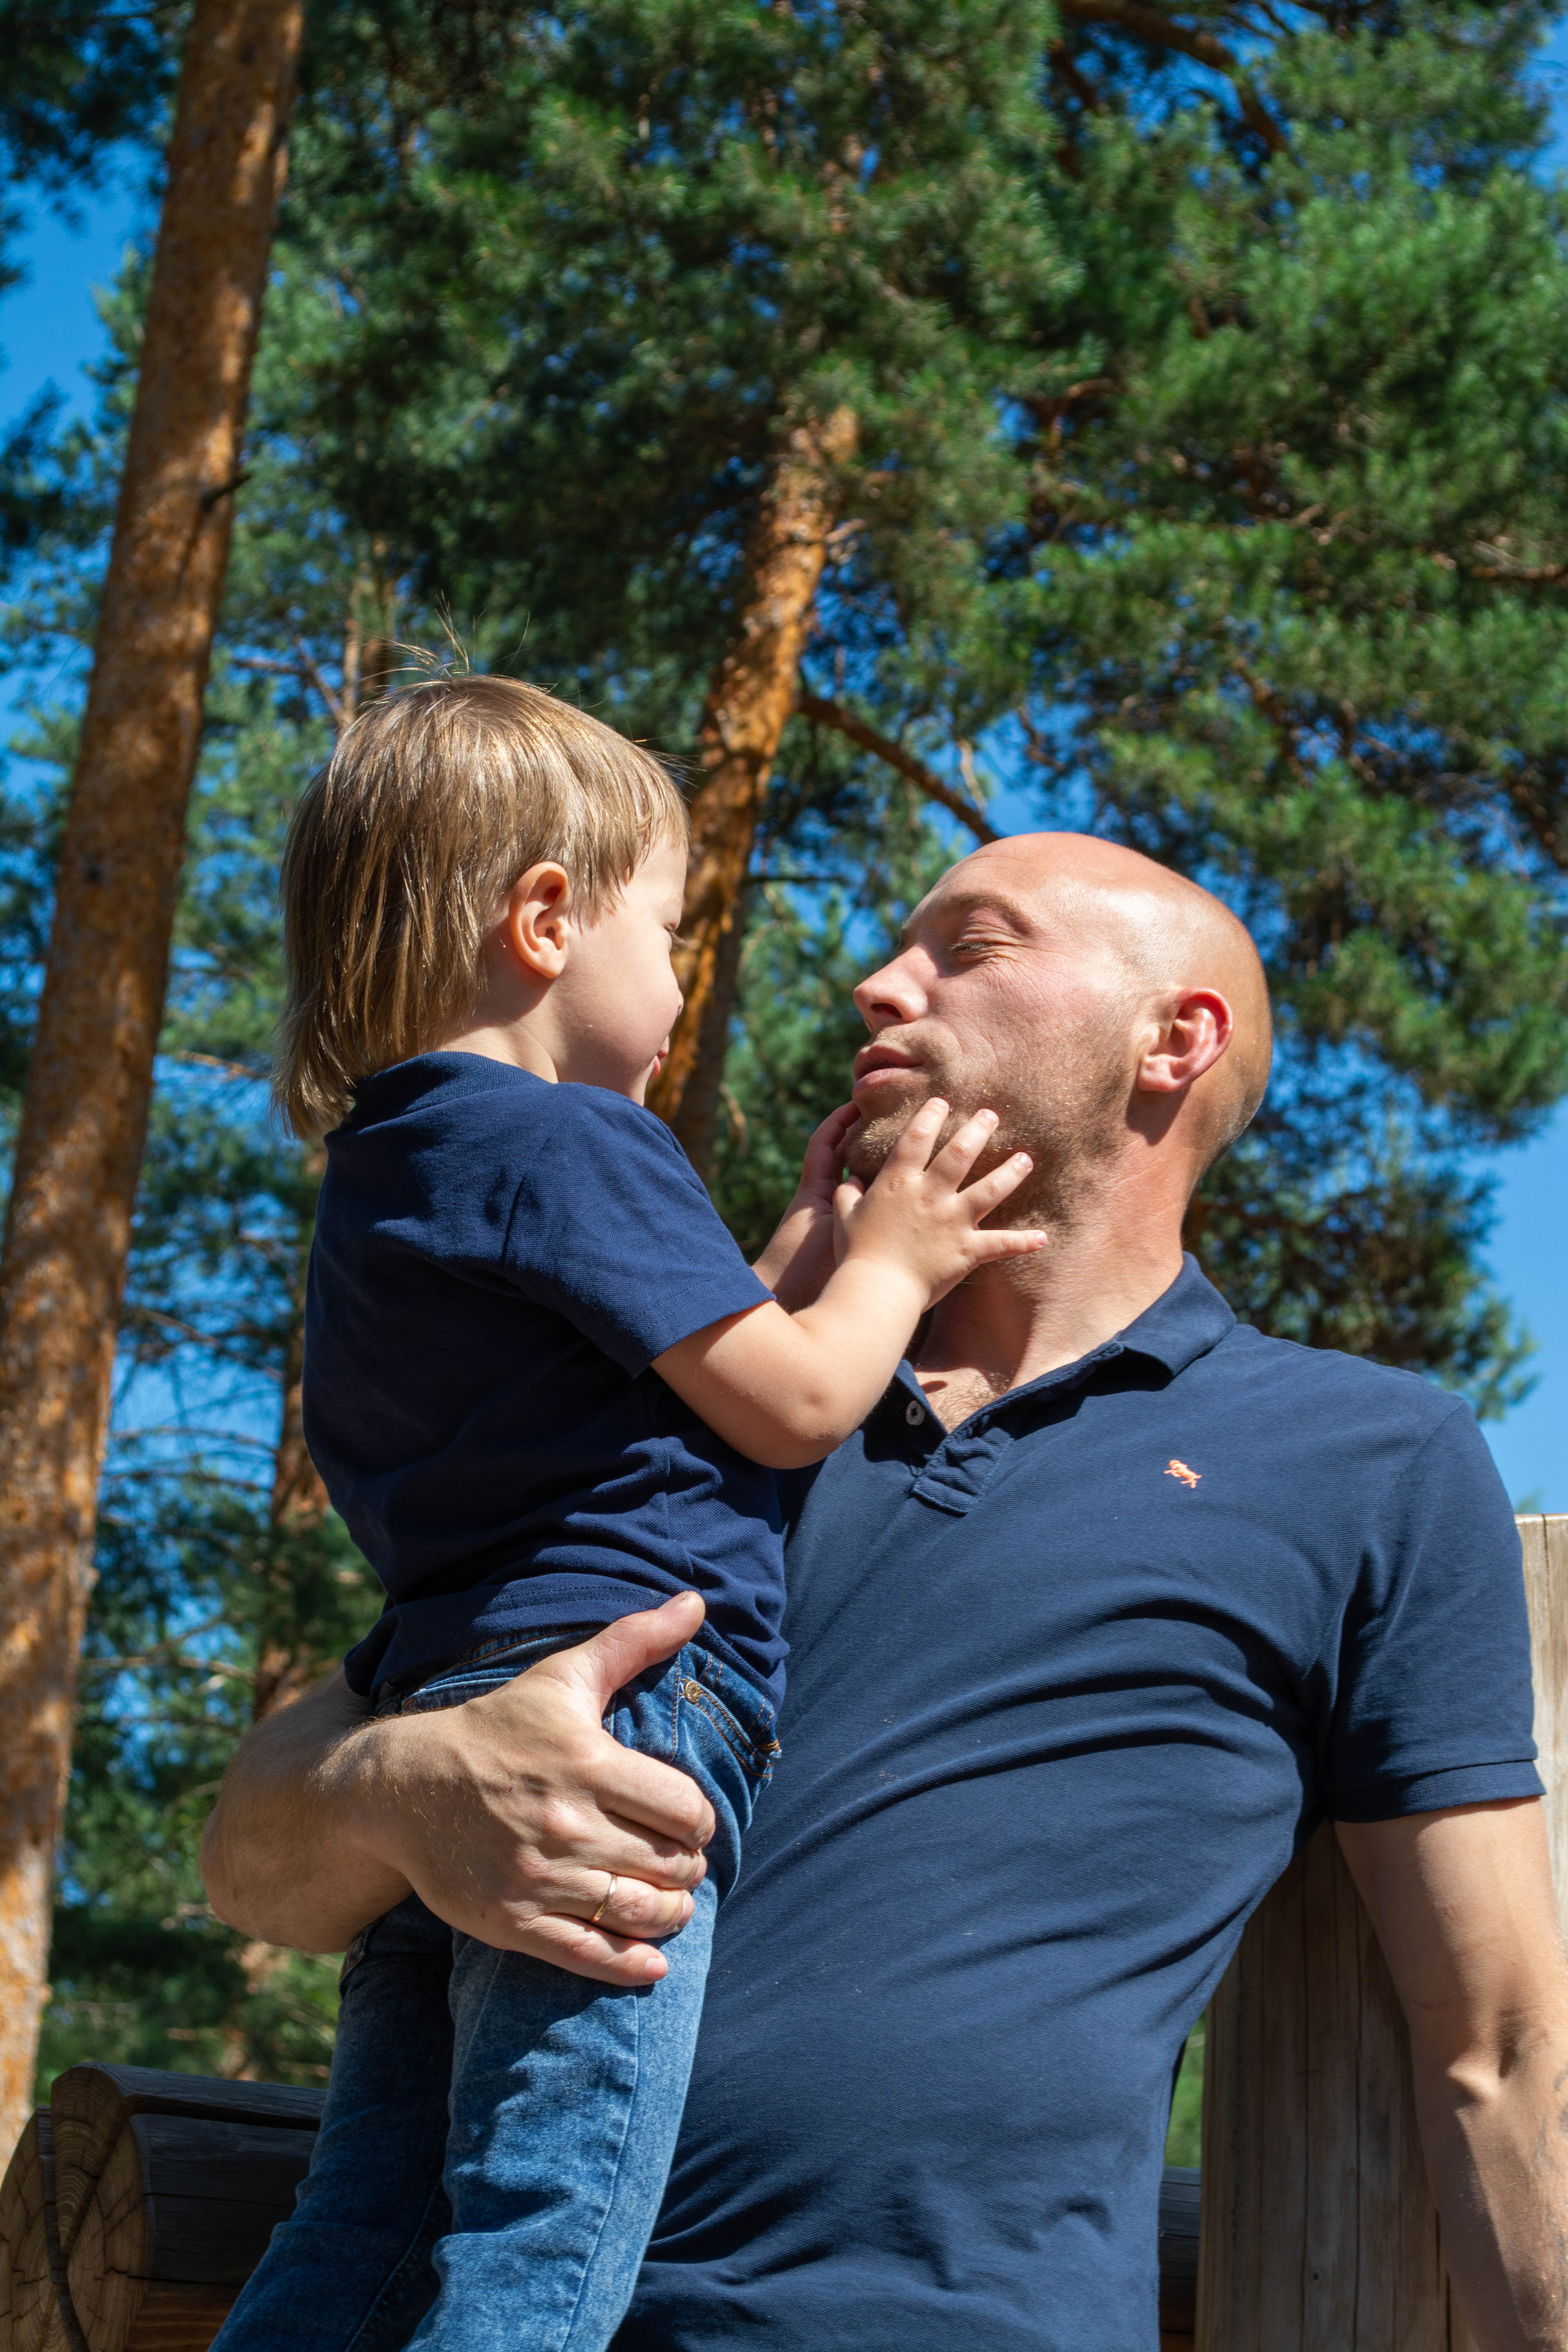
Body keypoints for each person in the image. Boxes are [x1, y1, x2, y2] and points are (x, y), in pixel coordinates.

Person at [203, 830, 1568, 2352]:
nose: (875, 983)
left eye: (968, 948)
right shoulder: (698, 1397)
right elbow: (253, 1866)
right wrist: (403, 1785)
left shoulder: (1365, 1459)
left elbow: (1500, 2055)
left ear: (1174, 1038)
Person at [209, 674, 1049, 2352]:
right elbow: (799, 1401)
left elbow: (646, 1393)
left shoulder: (401, 1164)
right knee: (551, 2208)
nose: (681, 981)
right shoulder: (580, 1141)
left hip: (466, 1705)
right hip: (628, 1715)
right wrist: (898, 1257)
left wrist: (804, 1252)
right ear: (544, 921)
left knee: (370, 2209)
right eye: (670, 931)